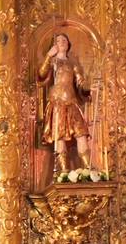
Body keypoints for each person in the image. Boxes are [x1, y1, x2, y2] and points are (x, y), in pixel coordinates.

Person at [37, 32, 93, 175]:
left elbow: (80, 82)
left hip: (72, 102)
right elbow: (42, 74)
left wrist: (86, 86)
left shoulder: (73, 62)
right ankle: (64, 171)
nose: (61, 42)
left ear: (68, 44)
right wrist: (49, 56)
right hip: (57, 102)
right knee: (59, 135)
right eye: (58, 40)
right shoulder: (52, 61)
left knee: (81, 133)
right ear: (54, 45)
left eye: (64, 40)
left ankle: (88, 169)